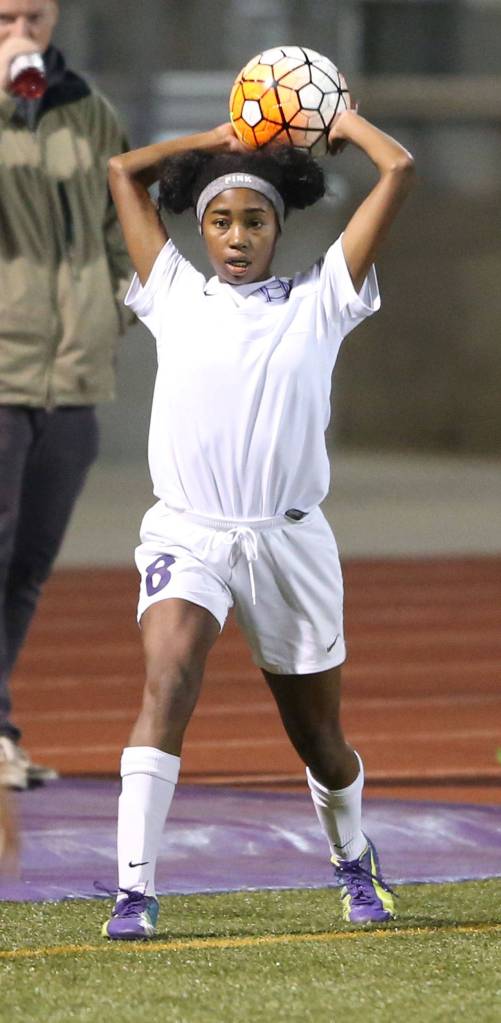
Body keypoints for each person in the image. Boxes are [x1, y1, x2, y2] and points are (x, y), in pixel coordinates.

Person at [101, 106, 415, 940]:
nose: (235, 236)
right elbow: (121, 173)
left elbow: (399, 172)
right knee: (168, 677)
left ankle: (353, 859)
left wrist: (341, 122)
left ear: (278, 225)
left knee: (318, 738)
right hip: (188, 532)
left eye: (252, 219)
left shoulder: (323, 299)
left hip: (288, 539)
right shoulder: (172, 291)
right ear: (201, 228)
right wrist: (212, 144)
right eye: (218, 220)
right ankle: (134, 892)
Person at [0, 0, 133, 790]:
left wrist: (115, 306)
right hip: (3, 371)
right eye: (7, 16)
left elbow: (124, 225)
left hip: (75, 374)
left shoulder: (89, 110)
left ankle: (2, 726)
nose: (23, 31)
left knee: (28, 564)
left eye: (35, 17)